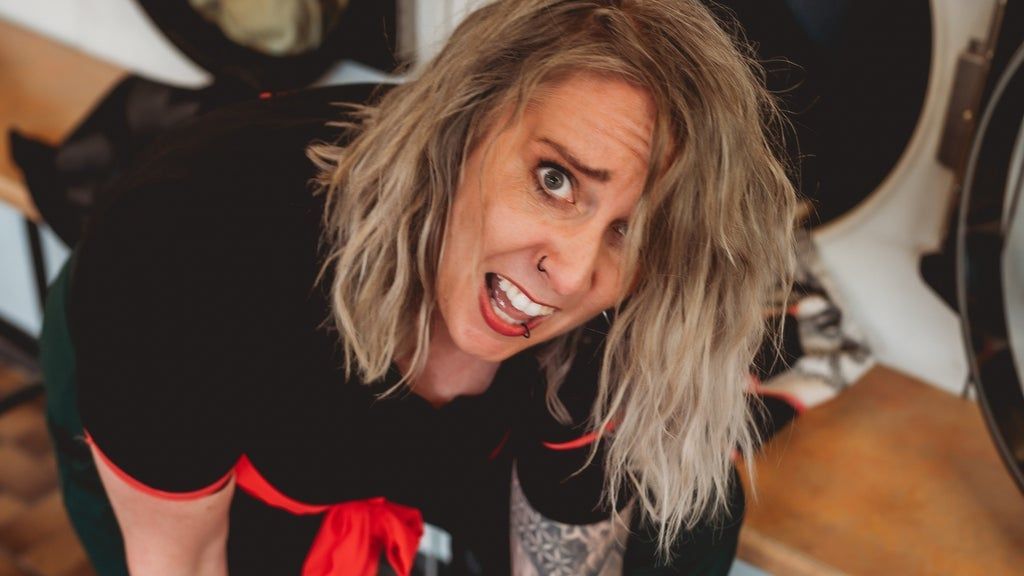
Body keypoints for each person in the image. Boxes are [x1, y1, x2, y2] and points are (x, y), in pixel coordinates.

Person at [39, 0, 797, 574]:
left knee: (686, 531)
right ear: (463, 126)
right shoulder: (188, 263)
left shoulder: (615, 307)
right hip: (189, 397)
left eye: (634, 230)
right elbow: (181, 561)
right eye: (554, 179)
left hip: (426, 446)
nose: (571, 273)